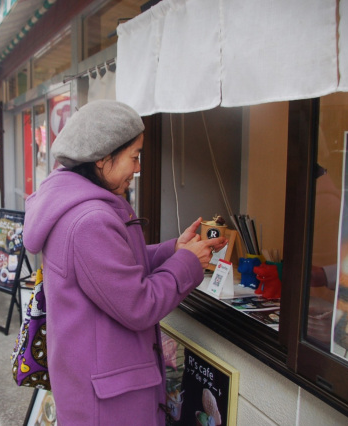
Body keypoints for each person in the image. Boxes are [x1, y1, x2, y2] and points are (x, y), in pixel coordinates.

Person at [23, 100, 226, 425]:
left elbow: (114, 270)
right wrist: (188, 263)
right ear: (103, 160)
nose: (137, 168)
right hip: (107, 402)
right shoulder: (90, 220)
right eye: (134, 157)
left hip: (94, 385)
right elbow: (138, 304)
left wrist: (176, 249)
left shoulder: (72, 203)